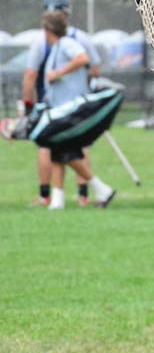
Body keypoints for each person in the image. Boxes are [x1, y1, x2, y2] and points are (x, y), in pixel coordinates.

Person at [22, 0, 101, 206]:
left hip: (53, 104)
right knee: (79, 145)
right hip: (78, 102)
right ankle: (82, 194)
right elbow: (95, 70)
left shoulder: (42, 41)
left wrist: (27, 103)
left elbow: (30, 75)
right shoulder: (81, 37)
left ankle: (46, 195)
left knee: (47, 146)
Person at [40, 11, 115, 210]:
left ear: (48, 29)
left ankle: (102, 189)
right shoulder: (58, 47)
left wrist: (58, 73)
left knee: (66, 152)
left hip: (70, 108)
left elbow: (82, 58)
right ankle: (57, 200)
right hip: (59, 107)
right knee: (58, 151)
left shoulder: (66, 43)